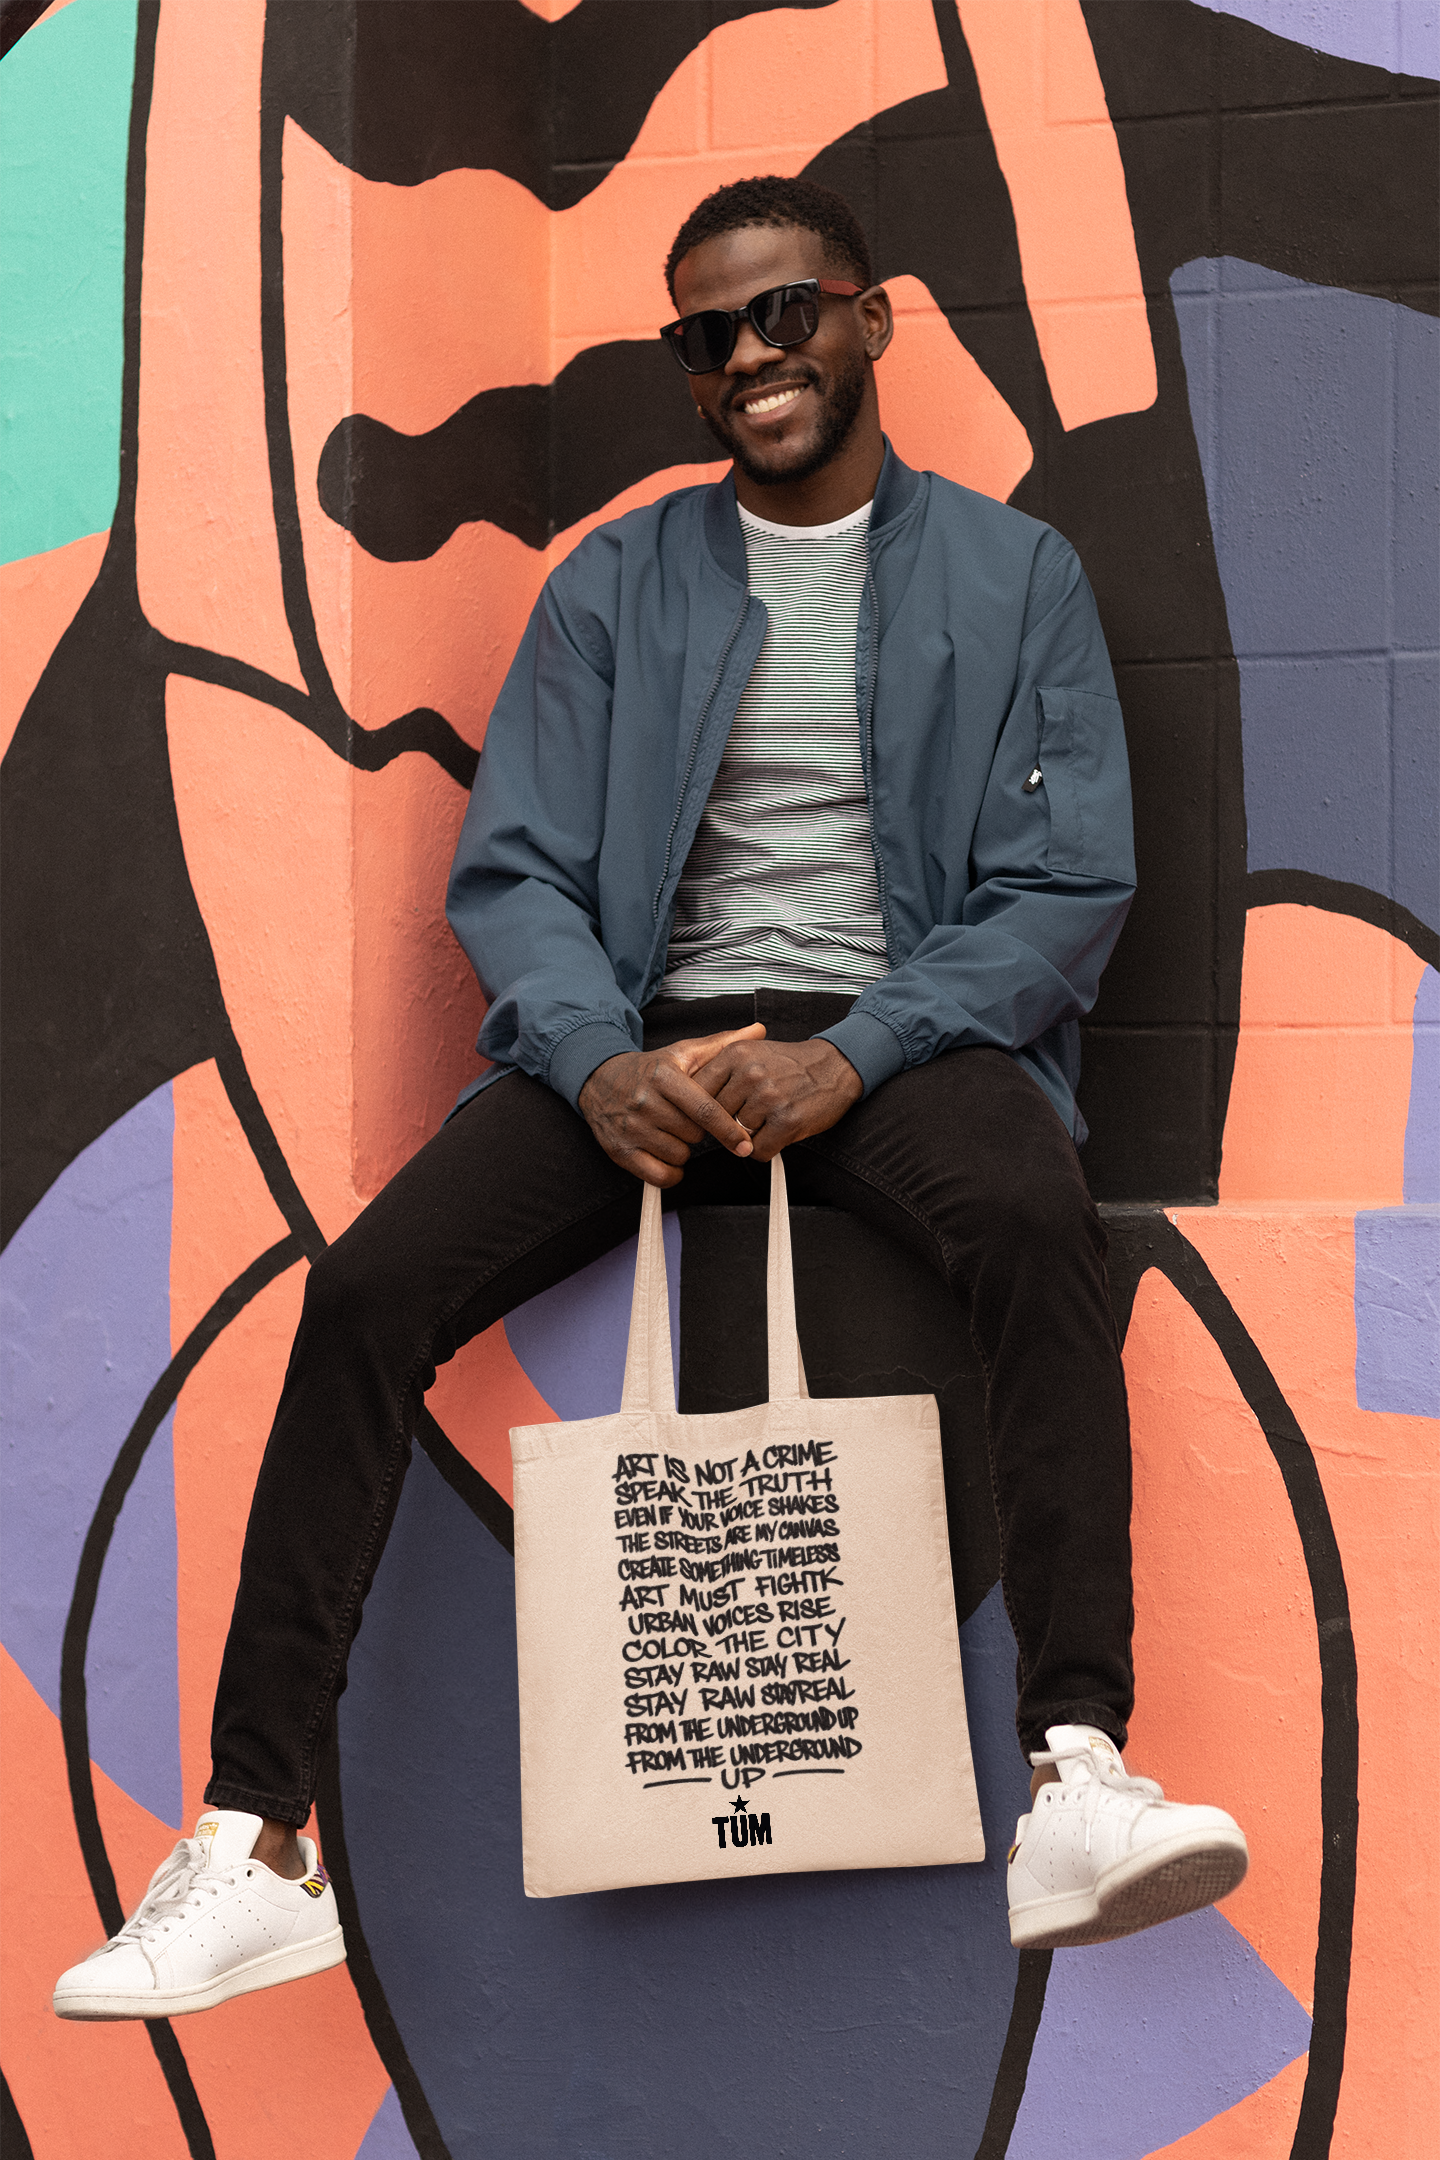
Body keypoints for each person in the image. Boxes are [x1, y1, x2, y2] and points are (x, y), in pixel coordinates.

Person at [53, 175, 1247, 2022]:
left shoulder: (1016, 577)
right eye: (707, 335)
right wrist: (597, 1060)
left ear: (870, 320)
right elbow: (517, 869)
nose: (751, 357)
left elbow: (1065, 886)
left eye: (785, 313)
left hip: (899, 1041)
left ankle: (1078, 1773)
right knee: (368, 1294)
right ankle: (251, 1843)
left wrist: (856, 1050)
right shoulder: (613, 584)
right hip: (642, 1047)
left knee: (1033, 1225)